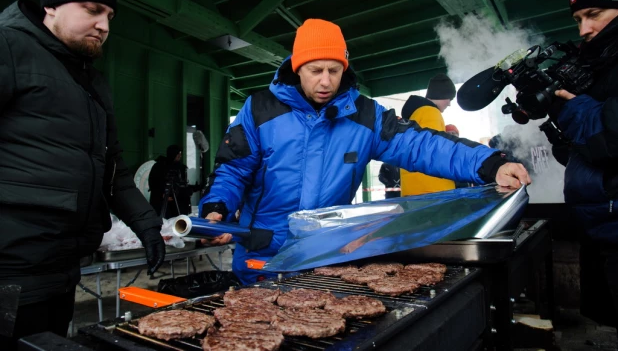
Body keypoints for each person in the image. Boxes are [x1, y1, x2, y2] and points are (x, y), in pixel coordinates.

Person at [199, 18, 530, 285]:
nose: (326, 81)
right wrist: (217, 208)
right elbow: (233, 171)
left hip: (326, 260)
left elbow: (421, 145)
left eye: (335, 69)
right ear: (297, 68)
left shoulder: (365, 116)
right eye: (316, 70)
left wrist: (487, 163)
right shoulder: (259, 110)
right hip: (262, 258)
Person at [0, 0, 165, 348]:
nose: (104, 25)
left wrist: (147, 226)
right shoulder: (8, 46)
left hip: (62, 268)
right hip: (10, 268)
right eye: (92, 10)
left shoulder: (91, 81)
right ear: (52, 7)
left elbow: (113, 169)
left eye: (109, 15)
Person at [548, 0, 618, 333]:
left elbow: (612, 138)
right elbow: (589, 151)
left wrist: (574, 111)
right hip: (602, 225)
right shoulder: (601, 66)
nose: (584, 29)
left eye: (594, 15)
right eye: (578, 19)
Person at [399, 73, 457, 196]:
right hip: (432, 190)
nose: (449, 103)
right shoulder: (431, 113)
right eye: (450, 98)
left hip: (415, 188)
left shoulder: (417, 114)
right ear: (442, 94)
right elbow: (435, 151)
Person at [148, 145, 192, 218]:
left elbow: (182, 183)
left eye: (180, 153)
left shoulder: (180, 167)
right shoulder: (159, 166)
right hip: (162, 201)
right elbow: (153, 183)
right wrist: (161, 195)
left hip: (177, 200)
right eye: (178, 153)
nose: (180, 155)